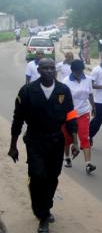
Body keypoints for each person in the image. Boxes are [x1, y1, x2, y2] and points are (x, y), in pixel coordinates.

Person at [8, 58, 79, 233]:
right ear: (38, 71)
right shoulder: (27, 91)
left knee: (52, 176)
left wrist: (75, 141)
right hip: (35, 140)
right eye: (44, 68)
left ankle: (46, 205)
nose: (48, 71)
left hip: (56, 141)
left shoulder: (63, 90)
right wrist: (13, 145)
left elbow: (71, 116)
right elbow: (17, 119)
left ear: (55, 70)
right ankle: (43, 214)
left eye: (51, 68)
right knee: (37, 176)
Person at [62, 60, 96, 174]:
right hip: (70, 113)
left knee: (85, 137)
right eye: (77, 71)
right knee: (68, 138)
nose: (79, 73)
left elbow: (90, 94)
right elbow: (62, 100)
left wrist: (93, 106)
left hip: (84, 111)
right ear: (72, 71)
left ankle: (88, 164)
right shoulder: (66, 82)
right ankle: (67, 157)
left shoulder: (88, 79)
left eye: (81, 71)